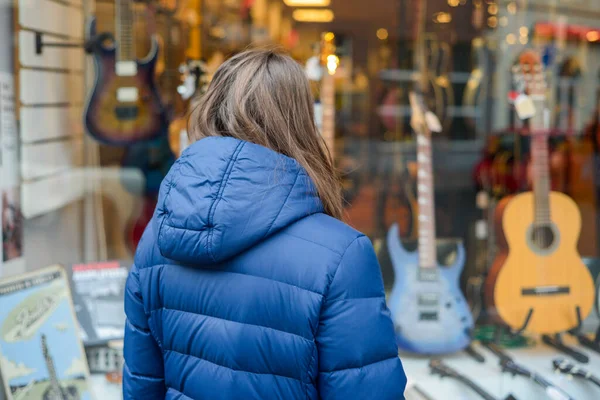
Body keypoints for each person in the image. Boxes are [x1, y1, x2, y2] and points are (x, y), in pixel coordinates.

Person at [123, 48, 407, 400]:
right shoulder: (343, 255)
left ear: (210, 109)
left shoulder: (157, 237)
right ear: (302, 122)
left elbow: (140, 387)